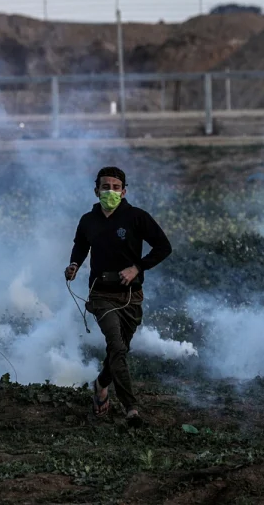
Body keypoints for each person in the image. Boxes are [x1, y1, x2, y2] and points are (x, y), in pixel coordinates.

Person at [65, 166, 172, 426]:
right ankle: (131, 409)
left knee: (119, 349)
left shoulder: (136, 218)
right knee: (117, 345)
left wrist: (137, 267)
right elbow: (80, 246)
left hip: (131, 297)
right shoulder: (88, 221)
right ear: (96, 190)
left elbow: (163, 247)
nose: (110, 191)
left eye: (115, 187)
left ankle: (101, 383)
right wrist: (74, 265)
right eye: (105, 186)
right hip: (100, 295)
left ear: (123, 191)